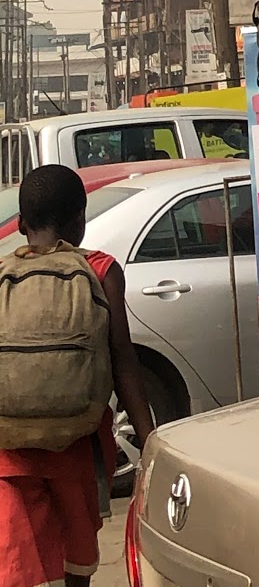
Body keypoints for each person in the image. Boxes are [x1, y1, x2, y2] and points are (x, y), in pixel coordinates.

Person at [0, 165, 154, 587]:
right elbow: (123, 361)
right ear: (79, 220)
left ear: (22, 223)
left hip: (10, 454)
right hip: (78, 449)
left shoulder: (2, 275)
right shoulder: (101, 271)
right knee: (76, 562)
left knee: (18, 567)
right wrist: (148, 439)